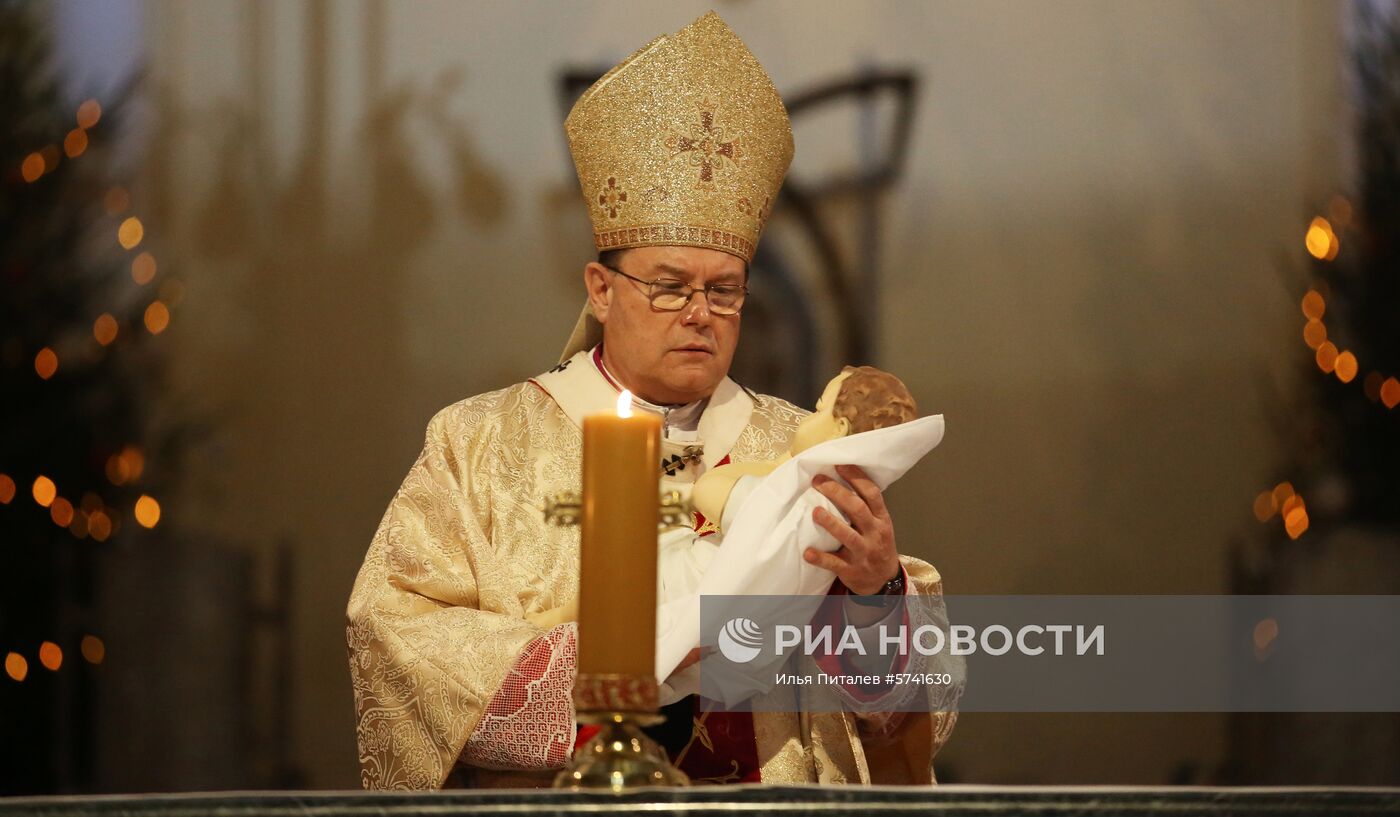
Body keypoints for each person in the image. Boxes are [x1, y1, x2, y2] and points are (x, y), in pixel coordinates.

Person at [346, 11, 956, 790]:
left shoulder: (802, 449)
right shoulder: (482, 443)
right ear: (601, 290)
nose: (700, 313)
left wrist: (876, 595)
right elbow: (396, 634)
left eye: (725, 291)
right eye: (669, 286)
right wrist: (637, 657)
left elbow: (909, 717)